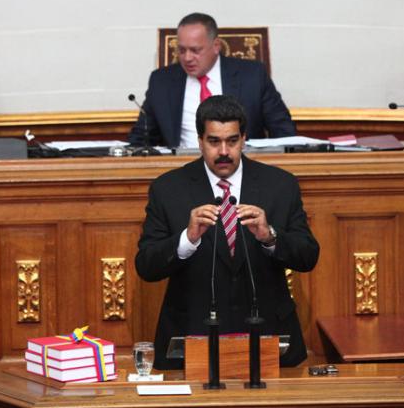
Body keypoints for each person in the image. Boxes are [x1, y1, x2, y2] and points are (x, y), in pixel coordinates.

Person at [135, 95, 319, 370]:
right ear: (200, 141)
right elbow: (147, 266)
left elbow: (308, 256)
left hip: (268, 336)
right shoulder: (168, 188)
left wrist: (270, 236)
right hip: (192, 336)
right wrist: (187, 239)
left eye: (232, 141)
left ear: (244, 139)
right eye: (214, 141)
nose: (224, 151)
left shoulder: (280, 185)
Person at [128, 12, 296, 148]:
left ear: (216, 46)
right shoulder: (161, 81)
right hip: (181, 171)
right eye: (181, 50)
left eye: (195, 50)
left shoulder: (252, 76)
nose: (187, 58)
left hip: (243, 168)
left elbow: (283, 130)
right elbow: (142, 138)